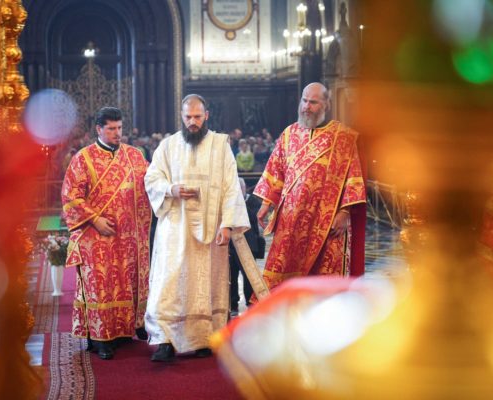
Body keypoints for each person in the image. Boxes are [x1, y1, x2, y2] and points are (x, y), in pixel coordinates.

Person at [144, 94, 250, 362]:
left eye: (197, 117)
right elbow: (152, 177)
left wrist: (227, 224)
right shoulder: (168, 146)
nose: (192, 122)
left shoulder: (220, 145)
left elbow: (231, 186)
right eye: (188, 117)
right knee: (170, 283)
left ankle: (204, 337)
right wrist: (172, 189)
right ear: (181, 116)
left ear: (207, 116)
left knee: (205, 284)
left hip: (210, 230)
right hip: (175, 229)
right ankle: (165, 341)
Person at [255, 82, 366, 290]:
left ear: (326, 104)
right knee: (284, 277)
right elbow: (276, 171)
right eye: (304, 101)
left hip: (327, 222)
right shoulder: (289, 134)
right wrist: (266, 203)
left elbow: (353, 178)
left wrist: (344, 213)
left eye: (313, 102)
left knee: (325, 281)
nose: (307, 106)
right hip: (291, 221)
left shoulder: (343, 137)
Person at [61, 107, 151, 360]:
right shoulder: (83, 158)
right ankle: (100, 338)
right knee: (100, 286)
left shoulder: (135, 156)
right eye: (111, 129)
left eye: (119, 128)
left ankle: (124, 331)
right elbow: (71, 197)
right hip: (96, 237)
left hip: (129, 237)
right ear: (99, 129)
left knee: (125, 283)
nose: (117, 133)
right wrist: (95, 219)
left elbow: (152, 184)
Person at [229, 178, 264, 317]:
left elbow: (255, 219)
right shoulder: (228, 203)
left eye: (240, 189)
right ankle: (233, 305)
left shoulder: (253, 202)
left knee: (249, 276)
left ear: (244, 189)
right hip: (230, 246)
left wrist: (241, 203)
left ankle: (250, 303)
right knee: (231, 276)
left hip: (249, 245)